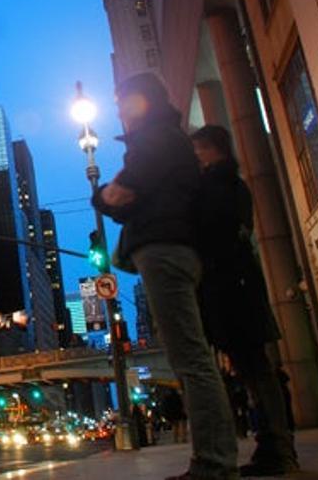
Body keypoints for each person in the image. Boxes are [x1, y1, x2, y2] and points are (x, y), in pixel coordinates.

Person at [93, 72, 238, 480]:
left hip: (164, 251)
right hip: (176, 250)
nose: (119, 108)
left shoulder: (154, 139)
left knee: (190, 360)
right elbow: (129, 200)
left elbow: (119, 196)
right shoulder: (169, 141)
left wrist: (99, 193)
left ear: (141, 101)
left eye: (122, 100)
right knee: (192, 358)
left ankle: (214, 463)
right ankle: (216, 458)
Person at [191, 125, 299, 476]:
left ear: (212, 150)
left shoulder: (215, 186)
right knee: (256, 369)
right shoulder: (233, 185)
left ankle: (277, 449)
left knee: (255, 369)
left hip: (230, 288)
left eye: (199, 150)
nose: (196, 157)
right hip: (239, 285)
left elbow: (213, 233)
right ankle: (277, 447)